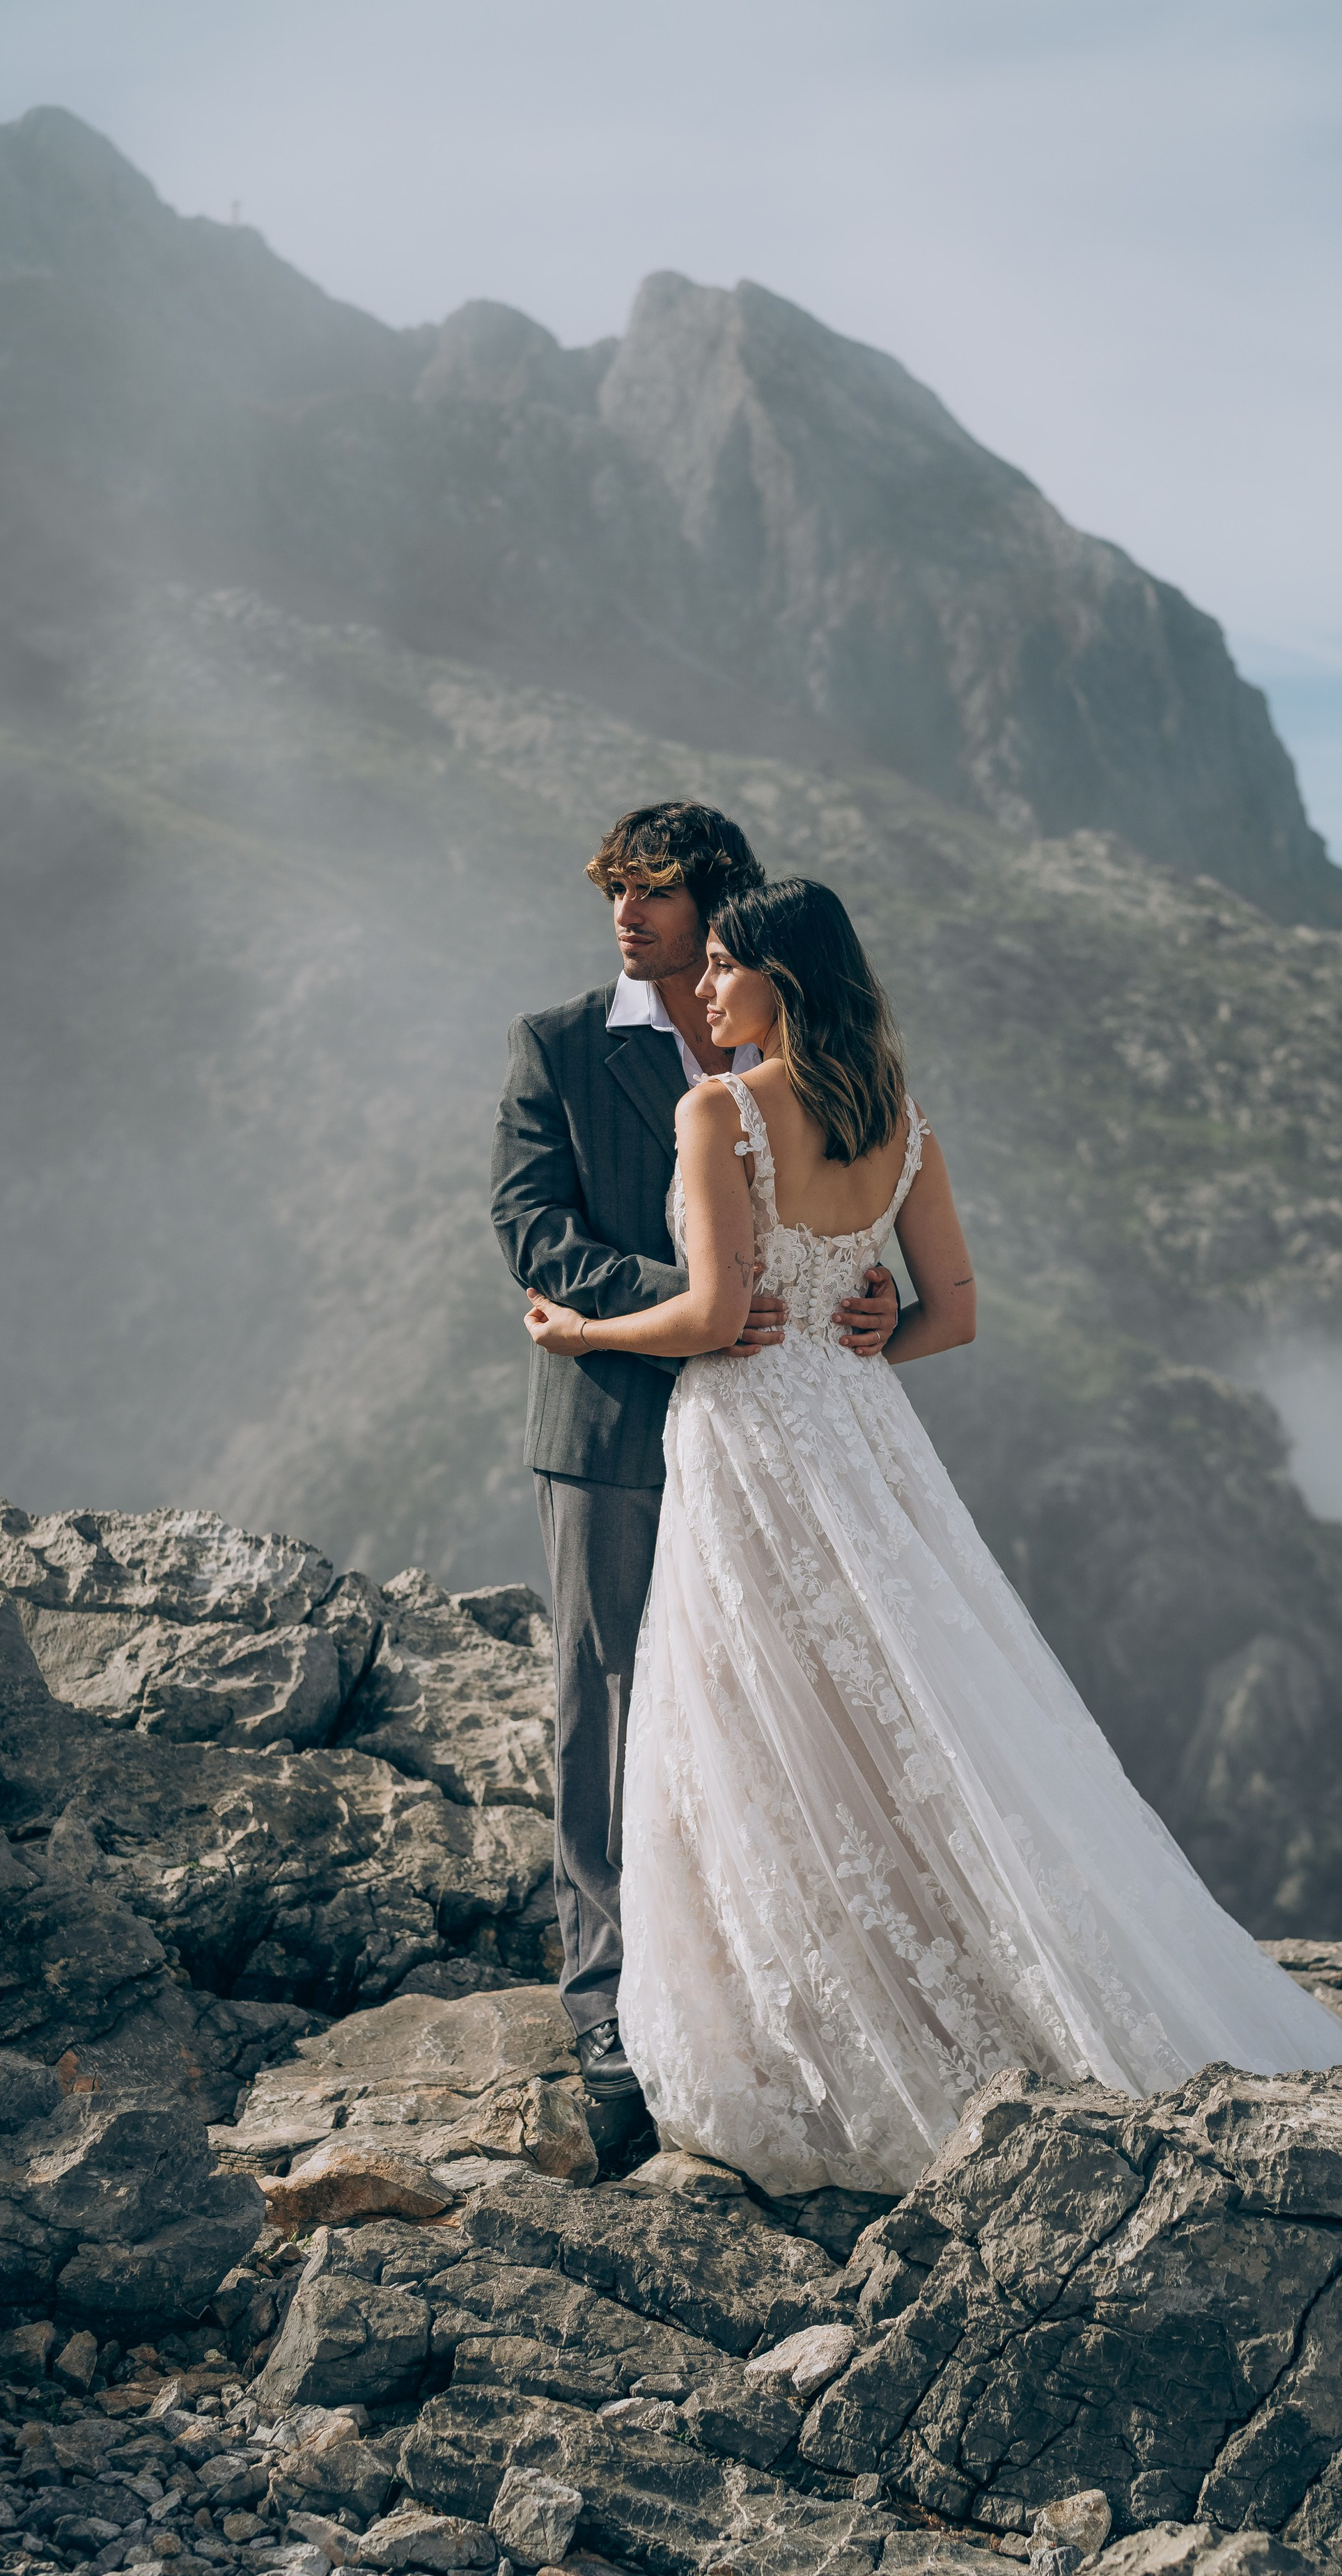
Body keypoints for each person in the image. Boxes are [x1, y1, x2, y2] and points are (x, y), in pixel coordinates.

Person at [521, 874, 1342, 2196]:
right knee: (899, 1713)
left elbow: (708, 1318)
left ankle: (800, 2020)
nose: (703, 990)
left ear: (781, 982)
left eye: (725, 970)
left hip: (750, 1441)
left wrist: (576, 1329)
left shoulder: (721, 1110)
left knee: (757, 1719)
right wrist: (867, 1333)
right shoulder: (897, 1124)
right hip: (861, 1439)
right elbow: (957, 1311)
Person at [490, 805, 898, 2146]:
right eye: (615, 889)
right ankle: (607, 2007)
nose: (627, 914)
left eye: (655, 892)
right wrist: (700, 1296)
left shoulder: (776, 1051)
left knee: (760, 1703)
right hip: (612, 1423)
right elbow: (528, 1227)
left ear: (720, 904)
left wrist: (871, 1291)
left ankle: (748, 1986)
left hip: (767, 1436)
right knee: (607, 1703)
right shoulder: (557, 1044)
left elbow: (847, 1204)